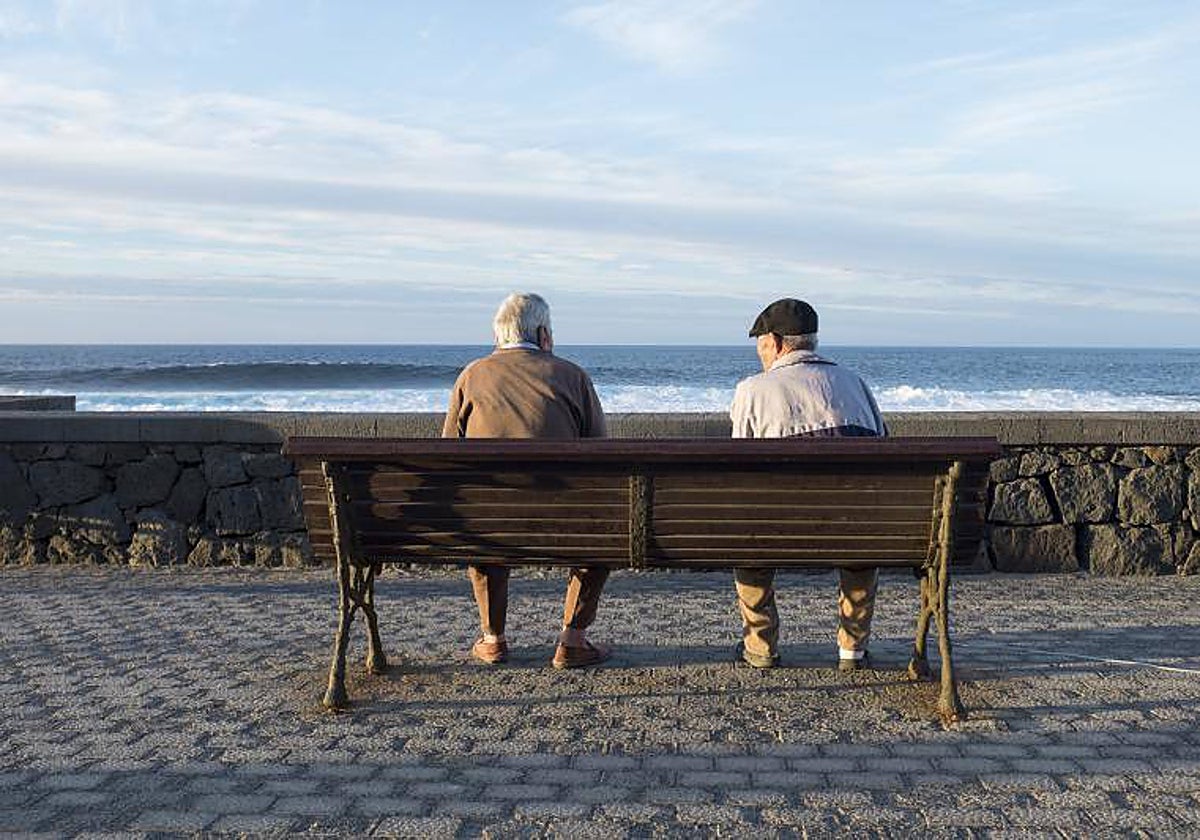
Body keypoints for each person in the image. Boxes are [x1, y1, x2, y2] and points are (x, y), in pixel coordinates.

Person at [442, 292, 612, 669]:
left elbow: (446, 453)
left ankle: (492, 639)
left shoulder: (471, 376)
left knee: (484, 517)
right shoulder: (571, 376)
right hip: (564, 521)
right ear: (543, 334)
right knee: (603, 536)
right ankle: (572, 639)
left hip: (491, 524)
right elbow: (603, 452)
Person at [729, 298, 887, 671]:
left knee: (747, 539)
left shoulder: (753, 390)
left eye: (761, 345)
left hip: (776, 530)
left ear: (776, 341)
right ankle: (852, 649)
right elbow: (882, 449)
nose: (759, 353)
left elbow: (738, 467)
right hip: (853, 530)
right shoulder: (856, 384)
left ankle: (761, 645)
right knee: (860, 538)